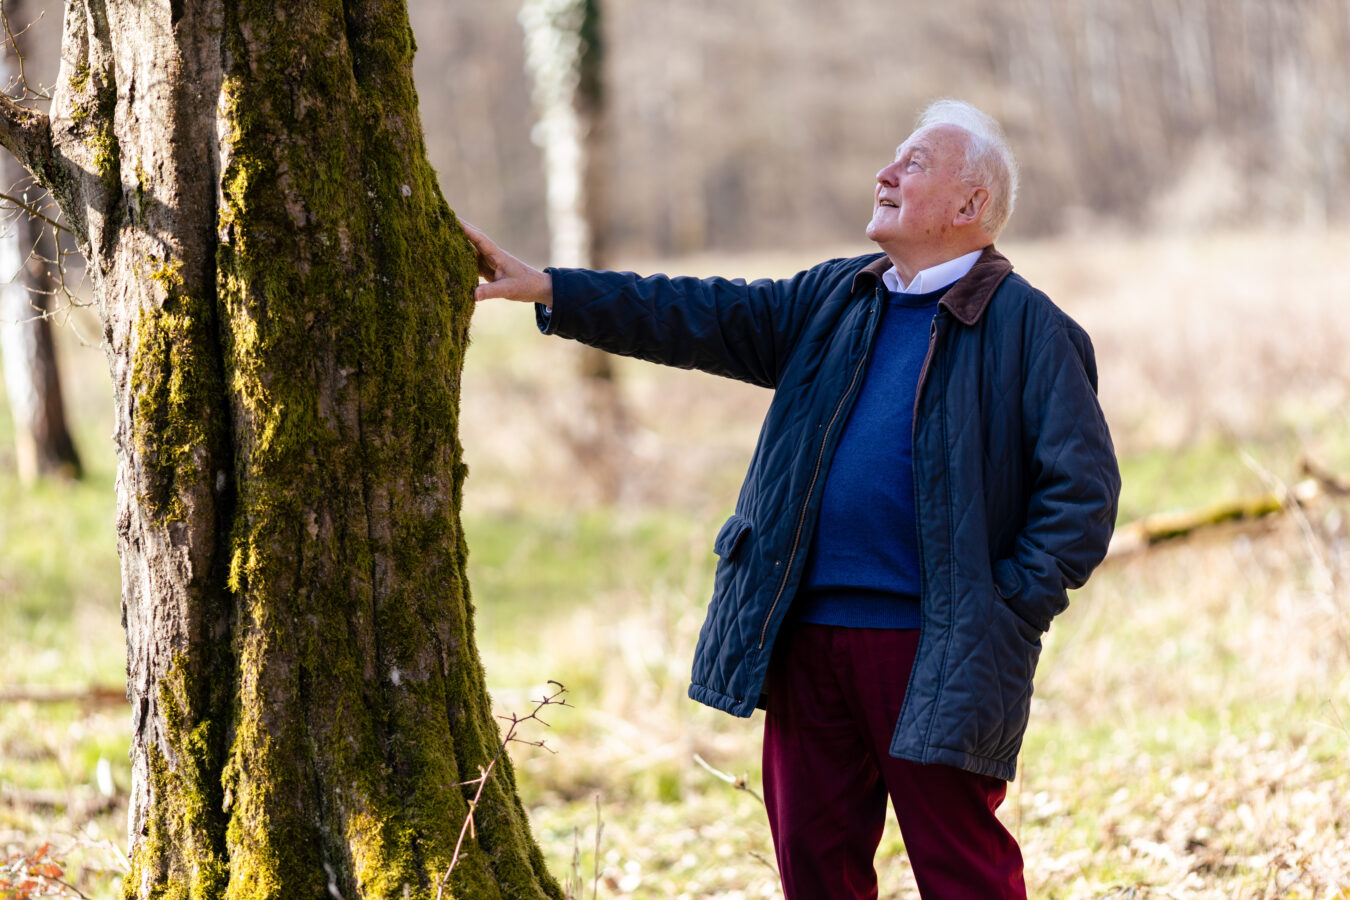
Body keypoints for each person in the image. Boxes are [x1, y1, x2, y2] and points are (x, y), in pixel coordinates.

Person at [466, 99, 1120, 900]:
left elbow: (1081, 499)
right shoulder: (832, 301)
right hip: (804, 636)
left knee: (963, 870)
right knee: (816, 867)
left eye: (913, 163)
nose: (885, 173)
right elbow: (691, 312)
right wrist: (550, 289)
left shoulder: (1031, 331)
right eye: (893, 157)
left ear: (969, 205)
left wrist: (1002, 607)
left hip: (936, 648)